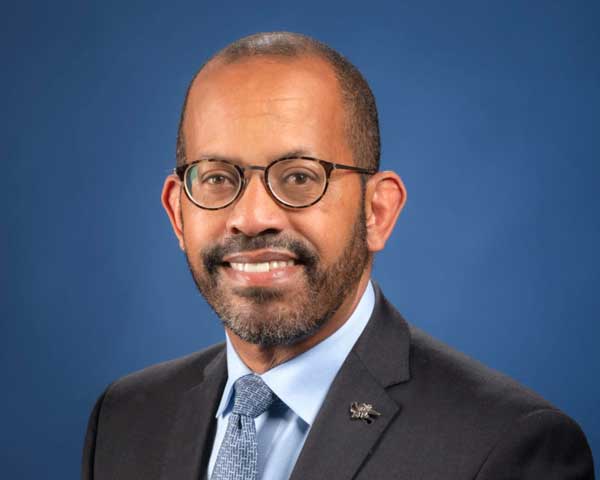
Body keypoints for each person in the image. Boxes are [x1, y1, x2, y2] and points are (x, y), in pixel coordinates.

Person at [82, 32, 595, 479]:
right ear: (178, 213)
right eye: (218, 178)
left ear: (377, 211)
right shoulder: (124, 419)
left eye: (300, 177)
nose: (253, 216)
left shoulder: (506, 447)